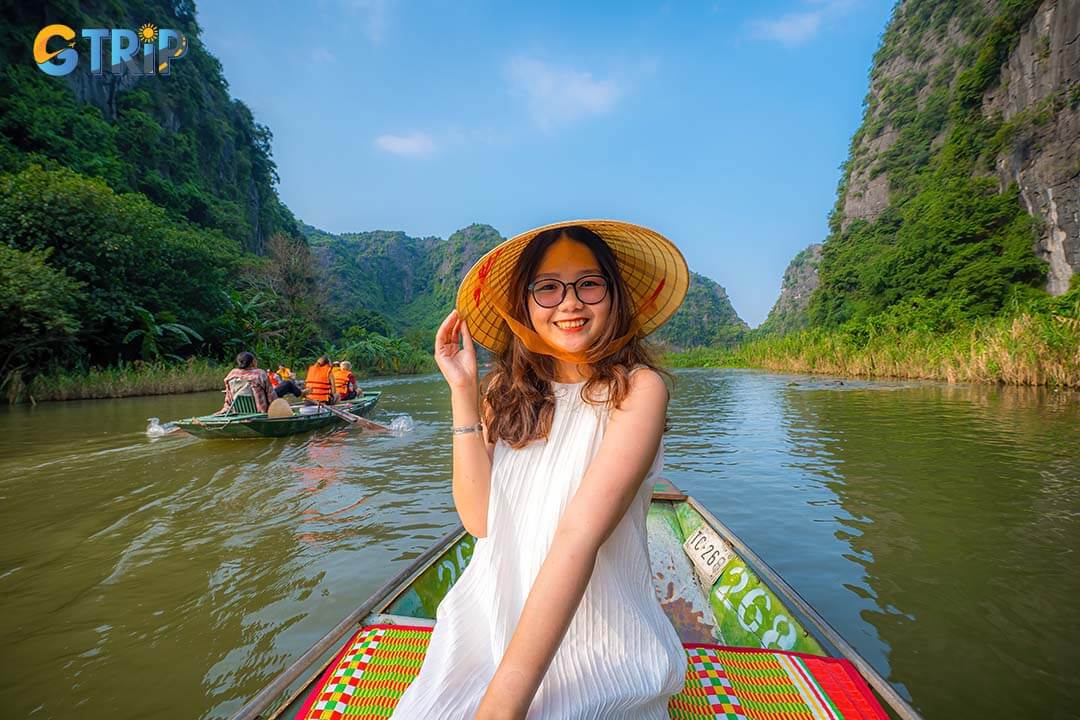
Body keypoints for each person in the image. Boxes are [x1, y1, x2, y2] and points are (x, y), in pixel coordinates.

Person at [391, 220, 690, 719]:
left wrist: (502, 707)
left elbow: (578, 535)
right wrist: (463, 393)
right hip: (490, 624)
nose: (569, 303)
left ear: (615, 297)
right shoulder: (502, 395)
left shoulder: (637, 391)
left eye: (589, 284)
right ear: (524, 306)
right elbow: (481, 522)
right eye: (547, 288)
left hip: (599, 635)